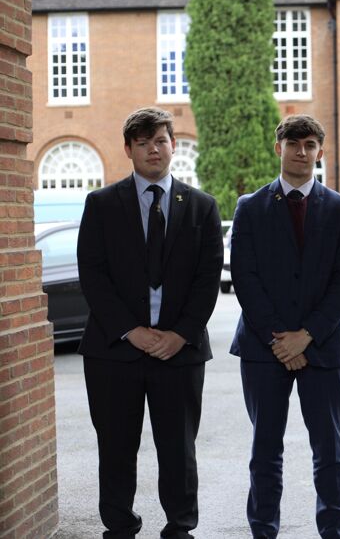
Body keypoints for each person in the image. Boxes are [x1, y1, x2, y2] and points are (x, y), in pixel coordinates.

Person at [76, 107, 223, 539]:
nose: (153, 150)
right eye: (142, 143)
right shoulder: (102, 204)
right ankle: (120, 526)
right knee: (116, 447)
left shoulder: (201, 207)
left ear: (173, 145)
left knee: (178, 448)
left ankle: (180, 527)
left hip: (179, 352)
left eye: (160, 141)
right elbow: (93, 274)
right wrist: (131, 331)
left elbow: (208, 278)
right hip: (114, 351)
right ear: (128, 150)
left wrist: (181, 334)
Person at [230, 114, 340, 539]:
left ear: (320, 152)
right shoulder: (250, 207)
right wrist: (279, 339)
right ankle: (263, 530)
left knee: (329, 449)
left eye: (309, 145)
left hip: (323, 346)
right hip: (262, 348)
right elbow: (245, 277)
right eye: (293, 144)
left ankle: (334, 530)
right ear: (279, 148)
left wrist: (307, 335)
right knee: (265, 448)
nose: (301, 152)